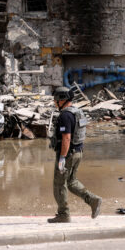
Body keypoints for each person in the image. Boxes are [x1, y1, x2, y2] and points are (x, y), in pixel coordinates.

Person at [47, 86, 101, 223]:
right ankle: (93, 200)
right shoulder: (77, 112)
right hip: (78, 152)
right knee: (71, 182)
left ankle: (63, 214)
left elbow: (66, 138)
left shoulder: (65, 115)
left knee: (59, 184)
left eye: (55, 100)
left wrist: (62, 158)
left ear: (61, 100)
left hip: (68, 154)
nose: (54, 103)